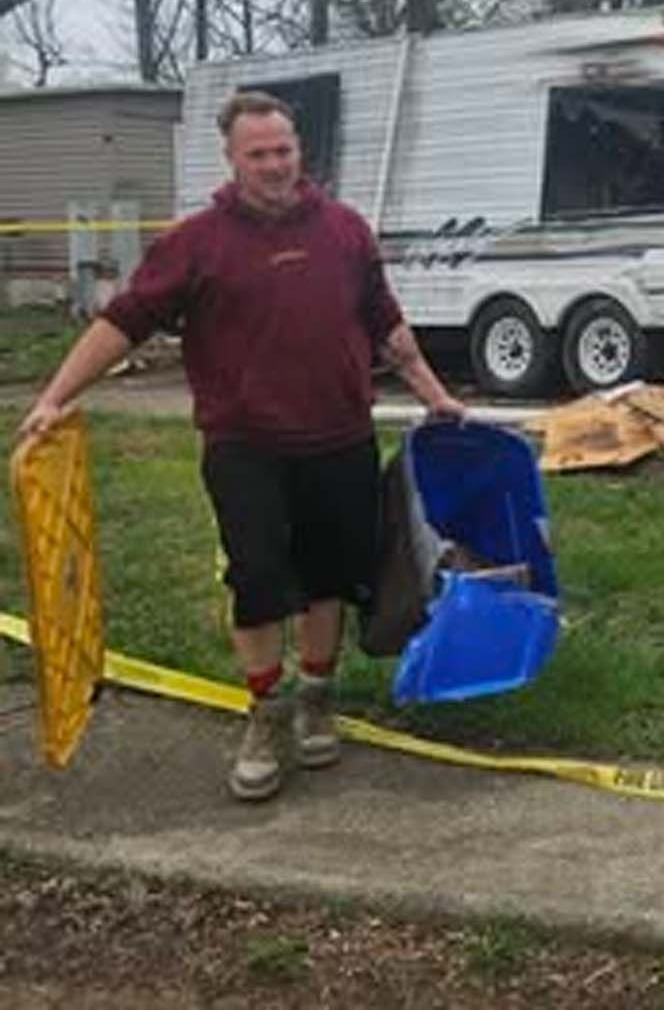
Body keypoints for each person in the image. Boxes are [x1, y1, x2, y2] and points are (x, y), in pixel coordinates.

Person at [16, 90, 466, 802]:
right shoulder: (197, 243)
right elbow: (124, 323)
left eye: (283, 150)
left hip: (340, 438)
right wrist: (55, 396)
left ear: (299, 151)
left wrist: (434, 394)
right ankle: (266, 712)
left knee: (329, 578)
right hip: (245, 446)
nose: (274, 165)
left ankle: (317, 699)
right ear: (231, 161)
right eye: (258, 154)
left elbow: (386, 322)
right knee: (257, 582)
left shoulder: (345, 230)